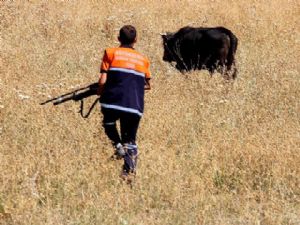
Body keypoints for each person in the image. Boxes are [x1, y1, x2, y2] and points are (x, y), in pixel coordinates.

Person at [97, 25, 151, 179]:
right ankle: (129, 172)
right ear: (136, 40)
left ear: (118, 39)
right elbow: (147, 85)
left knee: (108, 123)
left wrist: (100, 92)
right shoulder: (143, 60)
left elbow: (103, 80)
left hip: (112, 102)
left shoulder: (110, 53)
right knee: (130, 139)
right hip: (135, 106)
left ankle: (118, 147)